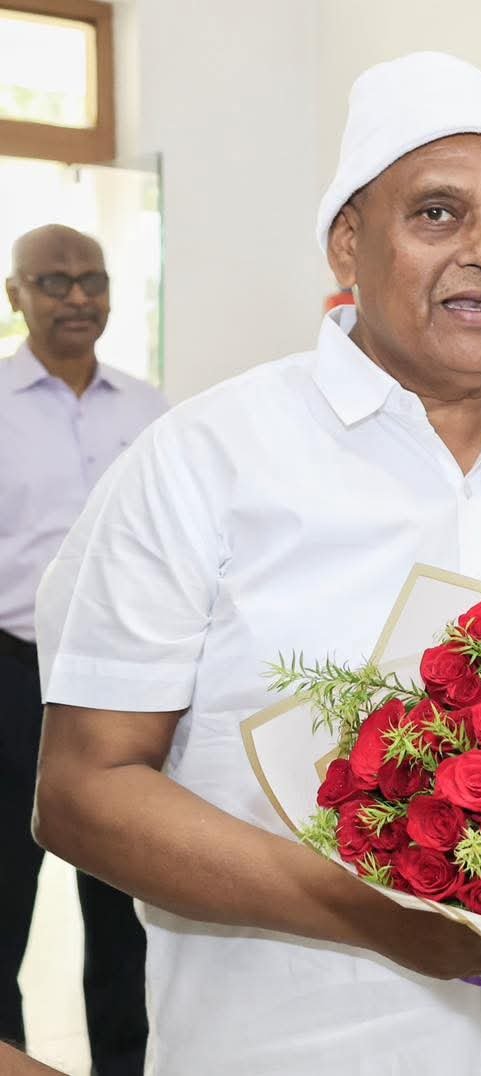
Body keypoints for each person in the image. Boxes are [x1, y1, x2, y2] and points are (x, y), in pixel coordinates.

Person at [32, 52, 481, 1075]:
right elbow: (83, 791)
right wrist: (374, 915)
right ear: (349, 240)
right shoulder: (207, 458)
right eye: (437, 213)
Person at [1, 225, 162, 1075]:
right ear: (15, 295)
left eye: (92, 280)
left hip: (127, 688)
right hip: (11, 676)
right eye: (53, 282)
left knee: (126, 903)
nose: (76, 298)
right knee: (3, 900)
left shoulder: (152, 412)